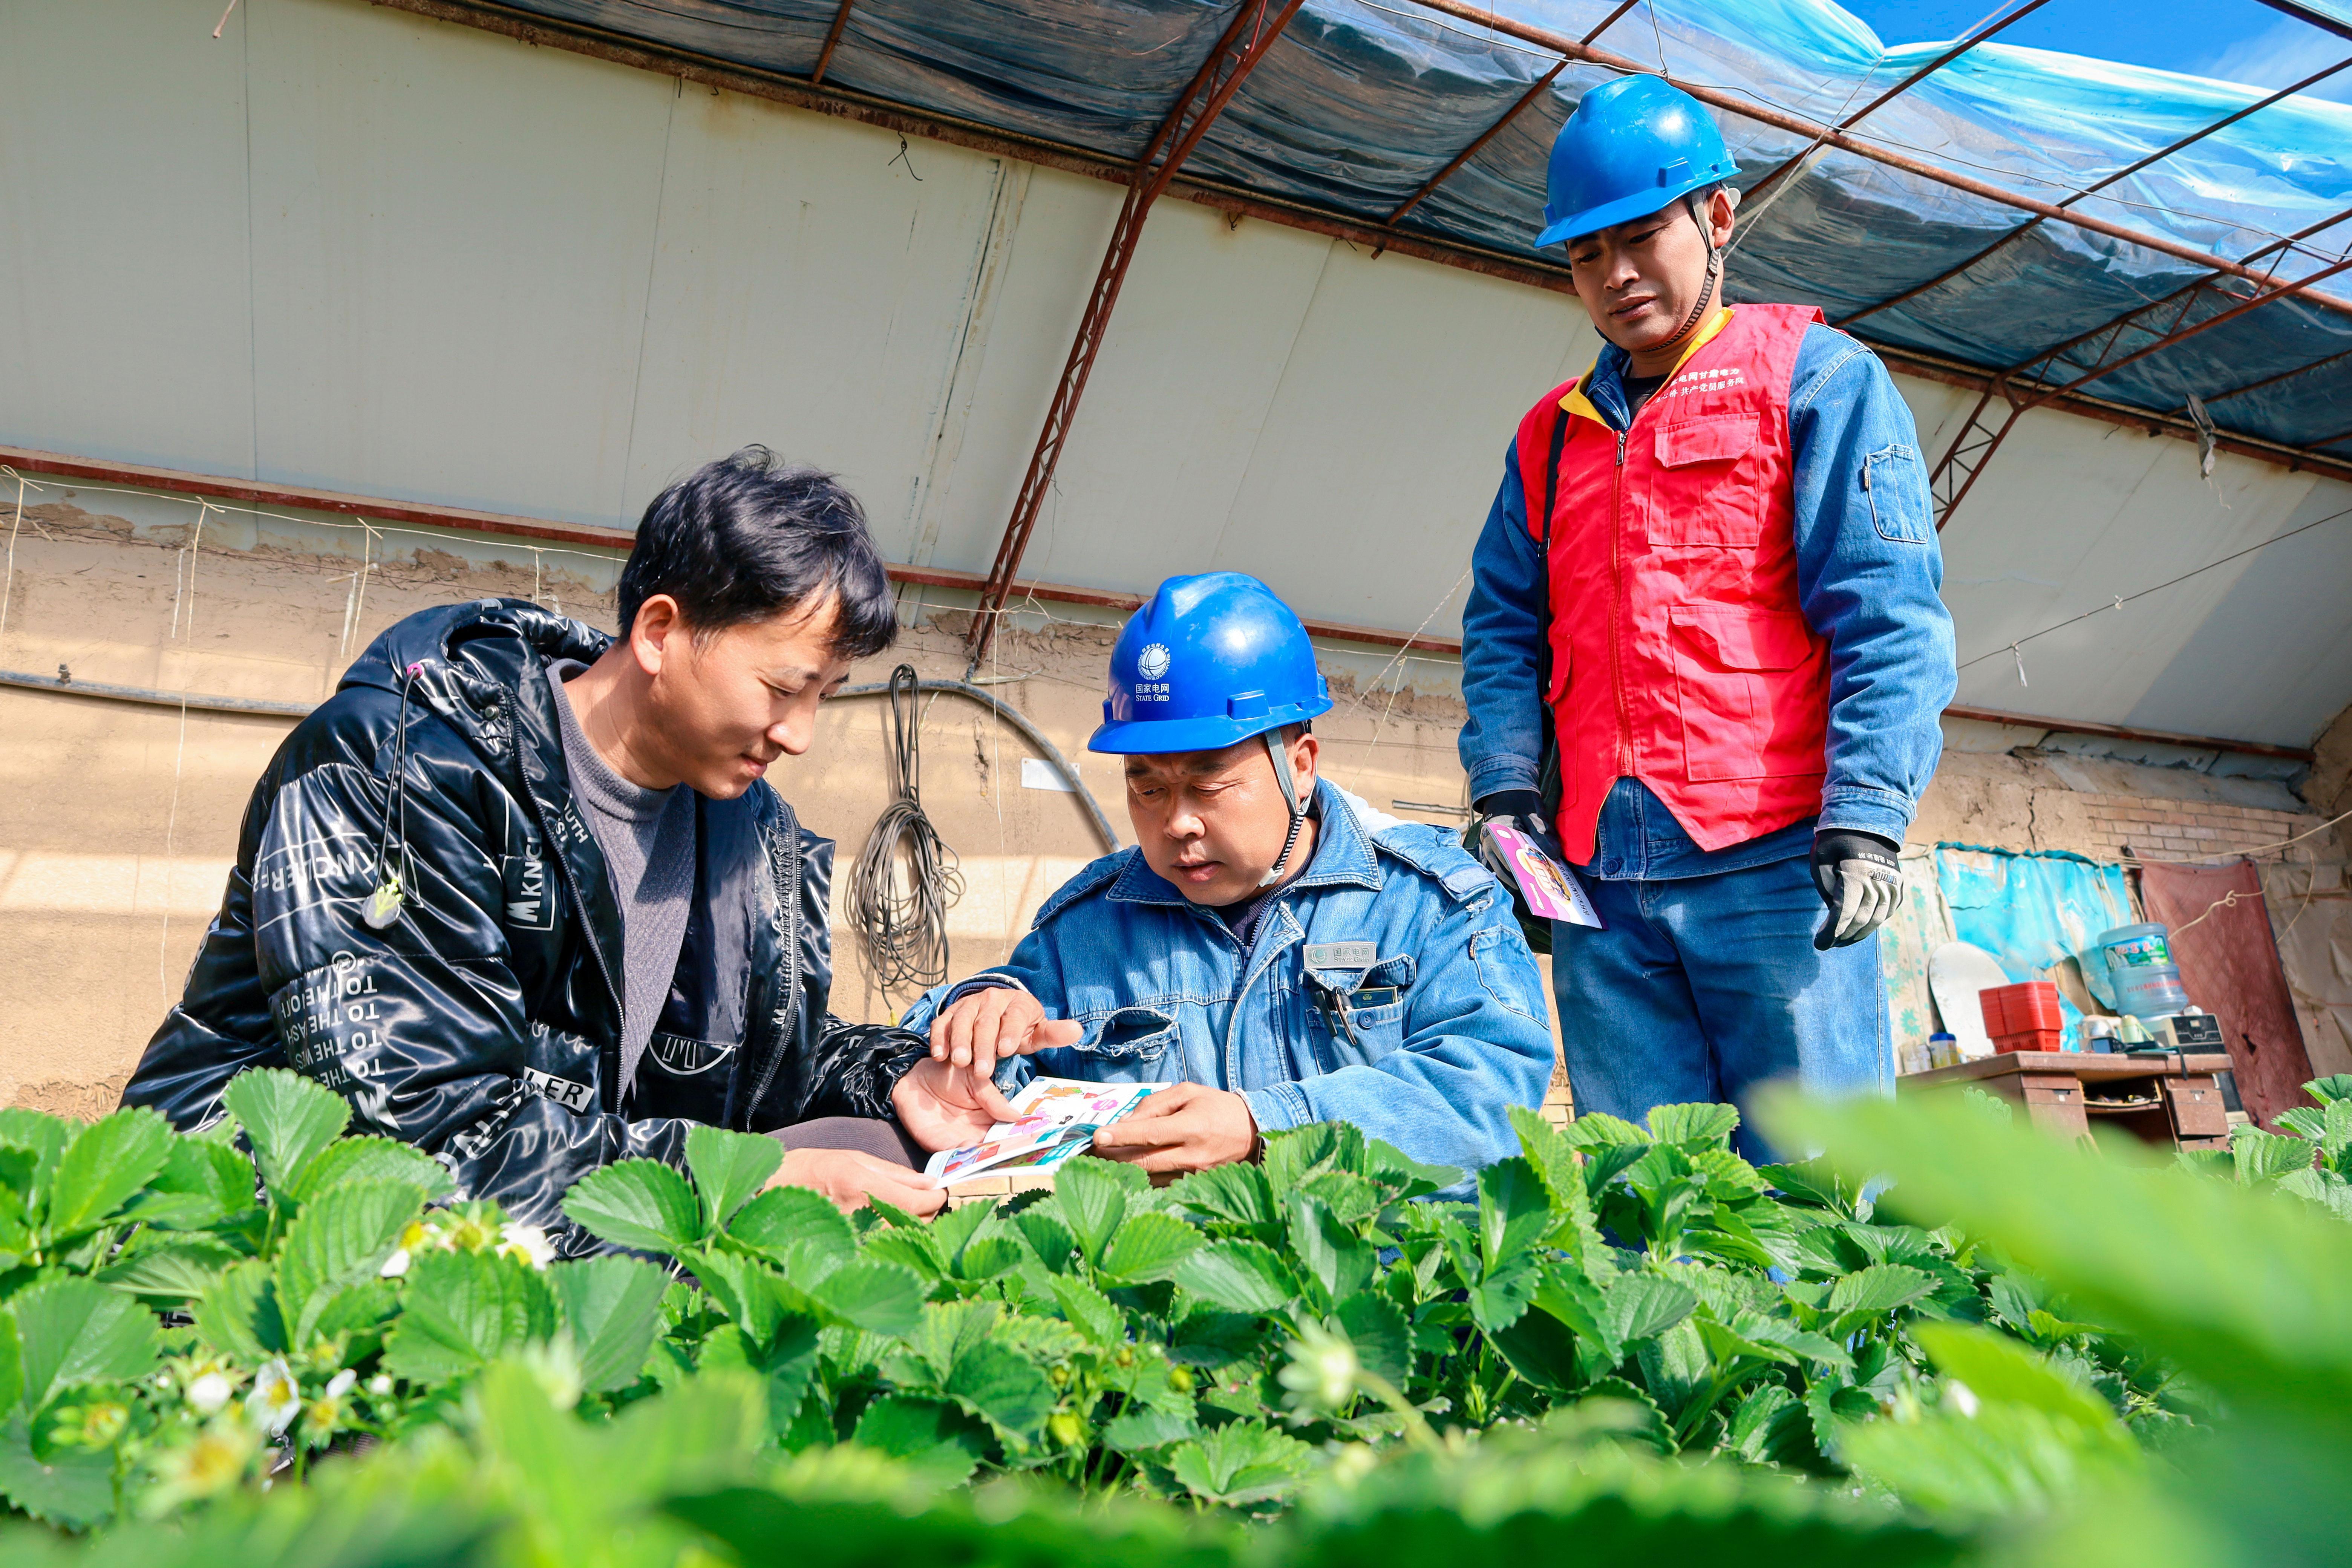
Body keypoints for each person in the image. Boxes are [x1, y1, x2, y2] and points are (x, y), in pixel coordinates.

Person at [122, 447, 962, 1242]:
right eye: (783, 688)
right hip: (274, 1212)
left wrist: (896, 1079)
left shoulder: (743, 824)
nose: (801, 735)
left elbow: (756, 1057)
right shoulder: (404, 763)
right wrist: (745, 1183)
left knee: (888, 1151)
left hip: (556, 1201)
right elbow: (418, 1129)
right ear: (660, 633)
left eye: (825, 696)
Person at [1457, 76, 1957, 1155]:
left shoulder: (1818, 380)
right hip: (1600, 883)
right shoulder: (1551, 436)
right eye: (1586, 254)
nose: (1616, 275)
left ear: (1718, 217)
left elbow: (1888, 615)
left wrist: (1867, 814)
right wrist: (1505, 792)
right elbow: (1502, 628)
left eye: (1642, 237)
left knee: (1821, 1184)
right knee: (1642, 1189)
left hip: (1775, 868)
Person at [886, 572, 1555, 1187]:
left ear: (1301, 766)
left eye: (1209, 785)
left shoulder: (1432, 904)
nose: (1177, 823)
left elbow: (1492, 1094)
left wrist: (1266, 1126)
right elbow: (974, 1067)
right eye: (1147, 788)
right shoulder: (1086, 931)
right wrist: (981, 1013)